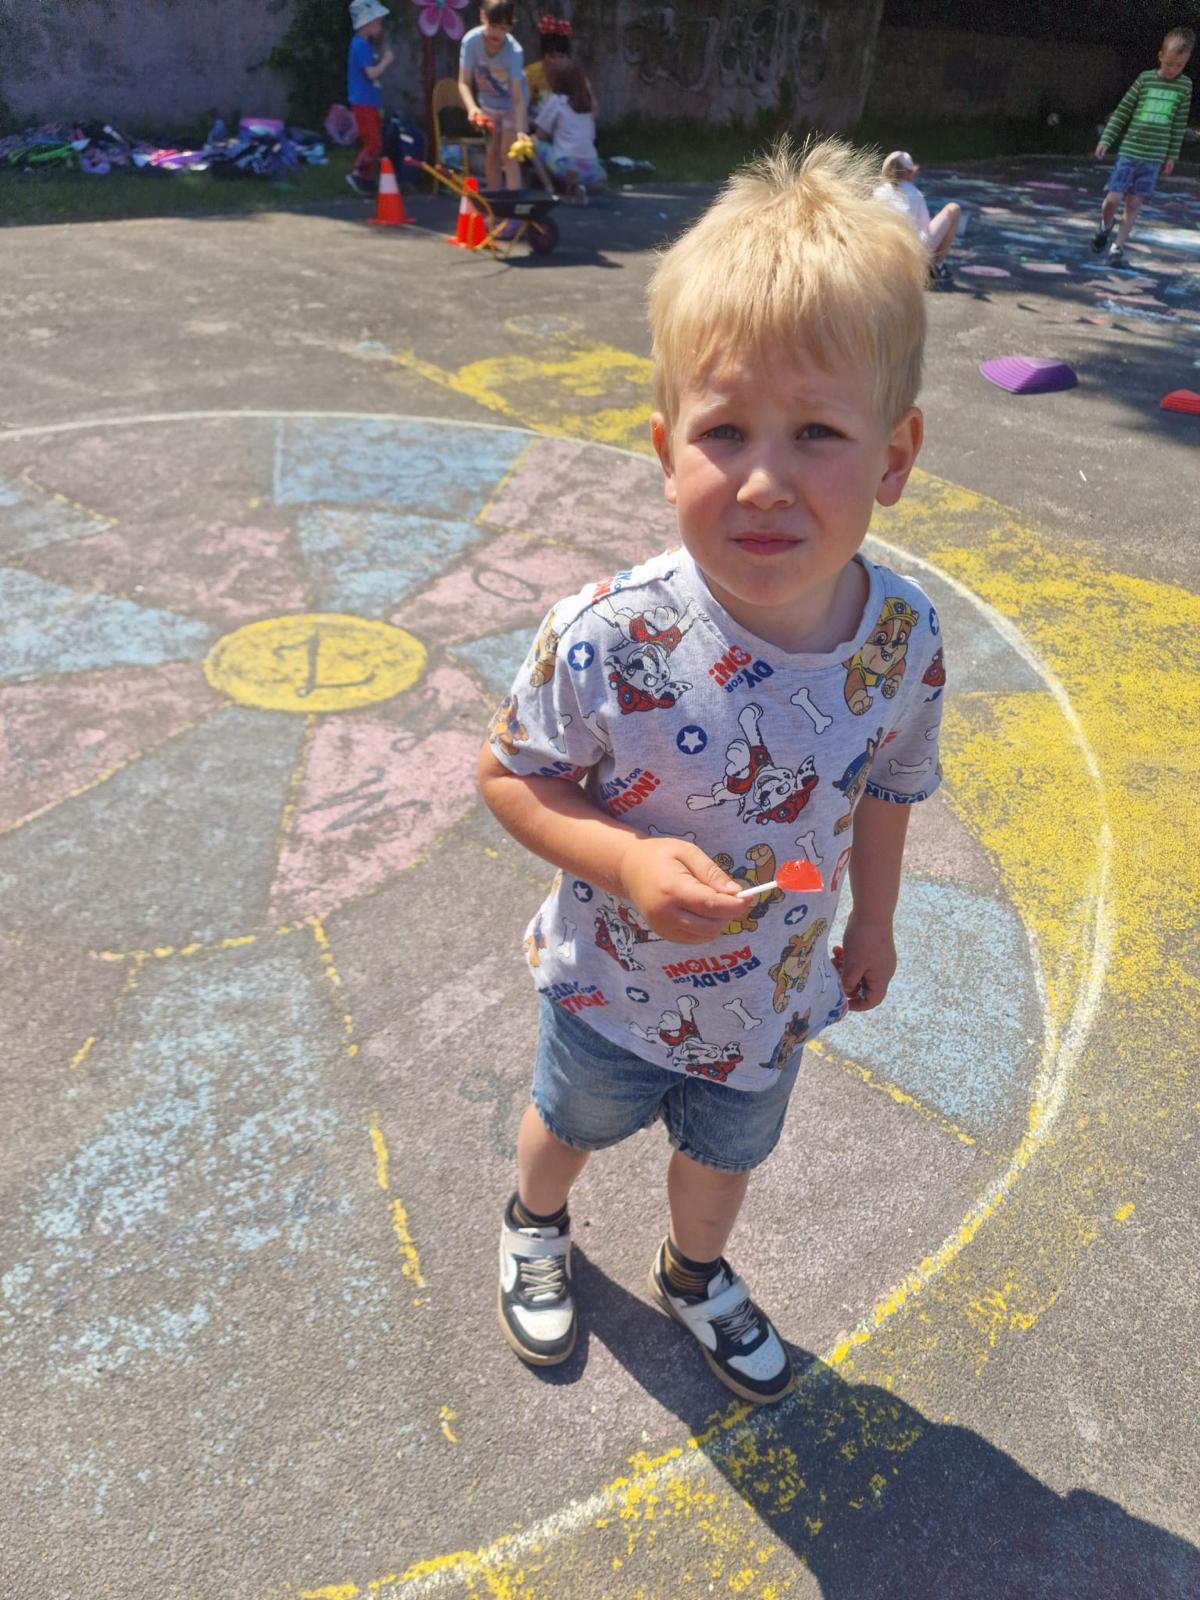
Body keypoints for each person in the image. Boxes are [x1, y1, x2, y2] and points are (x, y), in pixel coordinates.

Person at [478, 138, 945, 1404]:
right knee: (566, 1123)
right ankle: (533, 1221)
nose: (764, 479)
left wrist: (875, 920)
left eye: (818, 432)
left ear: (895, 456)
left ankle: (694, 1271)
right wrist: (625, 861)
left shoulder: (901, 641)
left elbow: (892, 783)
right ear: (664, 445)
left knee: (727, 1155)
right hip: (610, 984)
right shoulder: (610, 633)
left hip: (773, 994)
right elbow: (510, 774)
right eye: (724, 429)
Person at [1091, 25, 1194, 267]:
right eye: (1169, 64)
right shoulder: (1145, 79)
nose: (1173, 70)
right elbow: (1122, 112)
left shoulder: (1184, 86)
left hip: (1153, 157)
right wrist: (1107, 138)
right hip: (1131, 151)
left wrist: (1172, 155)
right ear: (1160, 56)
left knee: (1134, 204)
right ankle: (1105, 227)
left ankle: (1117, 247)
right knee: (1112, 200)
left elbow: (1179, 124)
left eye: (1179, 66)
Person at [458, 1, 529, 191]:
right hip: (488, 104)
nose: (497, 34)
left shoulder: (514, 51)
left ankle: (513, 203)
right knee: (492, 154)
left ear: (510, 27)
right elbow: (464, 82)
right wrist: (472, 108)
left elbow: (518, 98)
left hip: (511, 106)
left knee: (508, 154)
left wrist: (520, 130)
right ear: (483, 17)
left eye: (503, 28)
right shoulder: (471, 42)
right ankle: (494, 202)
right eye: (493, 26)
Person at [872, 151, 960, 285]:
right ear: (908, 173)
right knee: (953, 209)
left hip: (887, 254)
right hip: (914, 253)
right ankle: (937, 266)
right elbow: (926, 227)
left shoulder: (879, 192)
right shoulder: (914, 192)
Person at [532, 56, 604, 198]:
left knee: (532, 144)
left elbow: (541, 134)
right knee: (569, 148)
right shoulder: (588, 102)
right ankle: (575, 187)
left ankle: (550, 189)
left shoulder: (557, 100)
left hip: (567, 166)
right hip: (593, 167)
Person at [345, 0, 394, 197]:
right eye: (378, 23)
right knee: (373, 142)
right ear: (367, 23)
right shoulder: (360, 45)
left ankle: (366, 178)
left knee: (375, 141)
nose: (380, 28)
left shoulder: (364, 45)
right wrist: (386, 61)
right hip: (363, 102)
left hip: (369, 101)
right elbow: (371, 74)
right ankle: (358, 173)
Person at [524, 12, 573, 112]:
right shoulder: (529, 74)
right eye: (552, 57)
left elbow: (592, 107)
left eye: (561, 57)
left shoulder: (575, 77)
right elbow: (517, 104)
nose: (557, 62)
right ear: (543, 57)